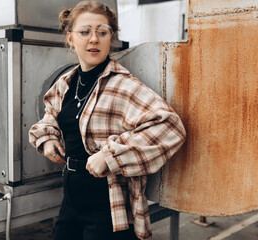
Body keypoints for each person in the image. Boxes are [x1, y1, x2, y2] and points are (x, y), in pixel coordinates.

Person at [28, 1, 186, 239]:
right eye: (85, 32)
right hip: (71, 196)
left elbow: (170, 127)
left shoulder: (123, 85)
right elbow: (51, 116)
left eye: (102, 32)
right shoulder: (66, 83)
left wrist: (110, 156)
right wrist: (48, 139)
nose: (94, 39)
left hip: (109, 204)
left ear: (111, 37)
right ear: (70, 38)